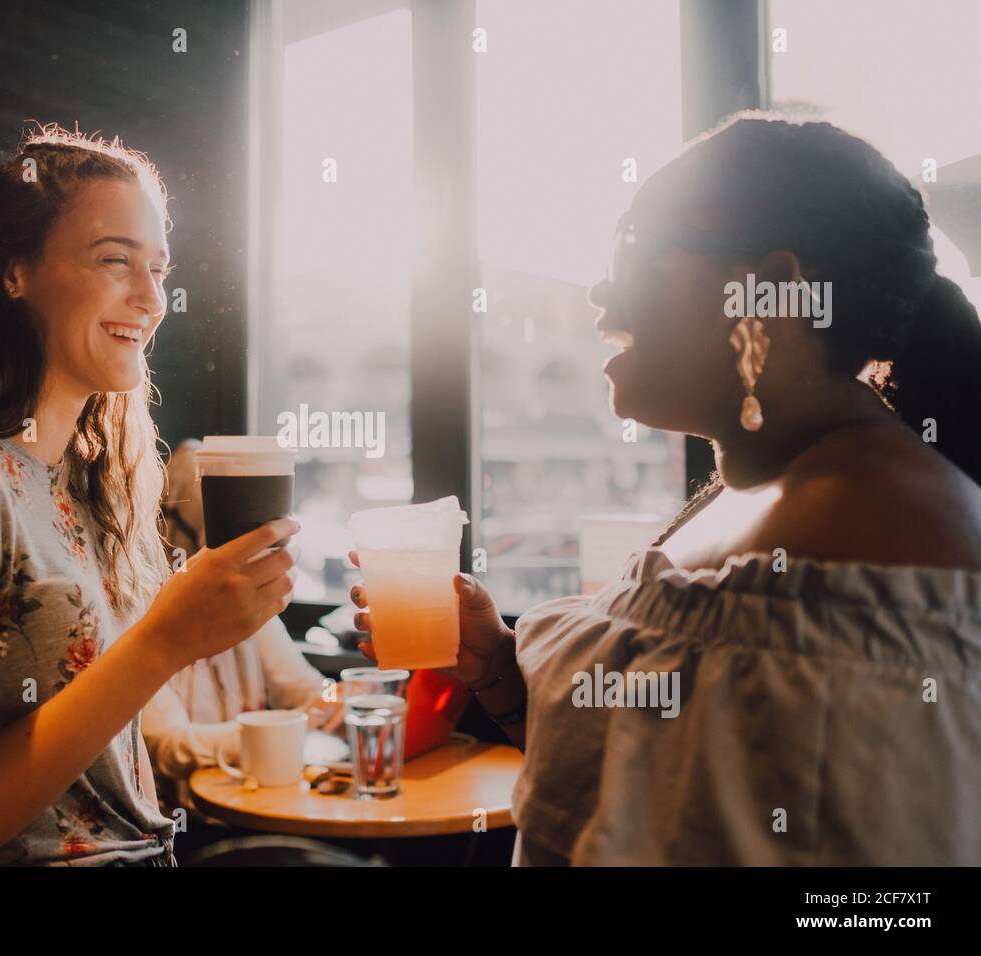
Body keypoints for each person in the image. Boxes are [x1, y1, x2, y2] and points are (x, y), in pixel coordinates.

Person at [350, 113, 981, 865]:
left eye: (637, 249)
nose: (599, 289)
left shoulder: (876, 533)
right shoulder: (764, 492)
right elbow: (651, 790)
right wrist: (497, 665)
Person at [0, 125, 299, 866]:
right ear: (15, 273)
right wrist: (163, 644)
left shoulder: (92, 471)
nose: (151, 298)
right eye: (114, 260)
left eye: (159, 268)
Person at [143, 439, 342, 824]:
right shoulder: (141, 617)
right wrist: (285, 727)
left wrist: (335, 699)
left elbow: (304, 687)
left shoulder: (248, 605)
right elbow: (169, 746)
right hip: (193, 826)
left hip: (261, 805)